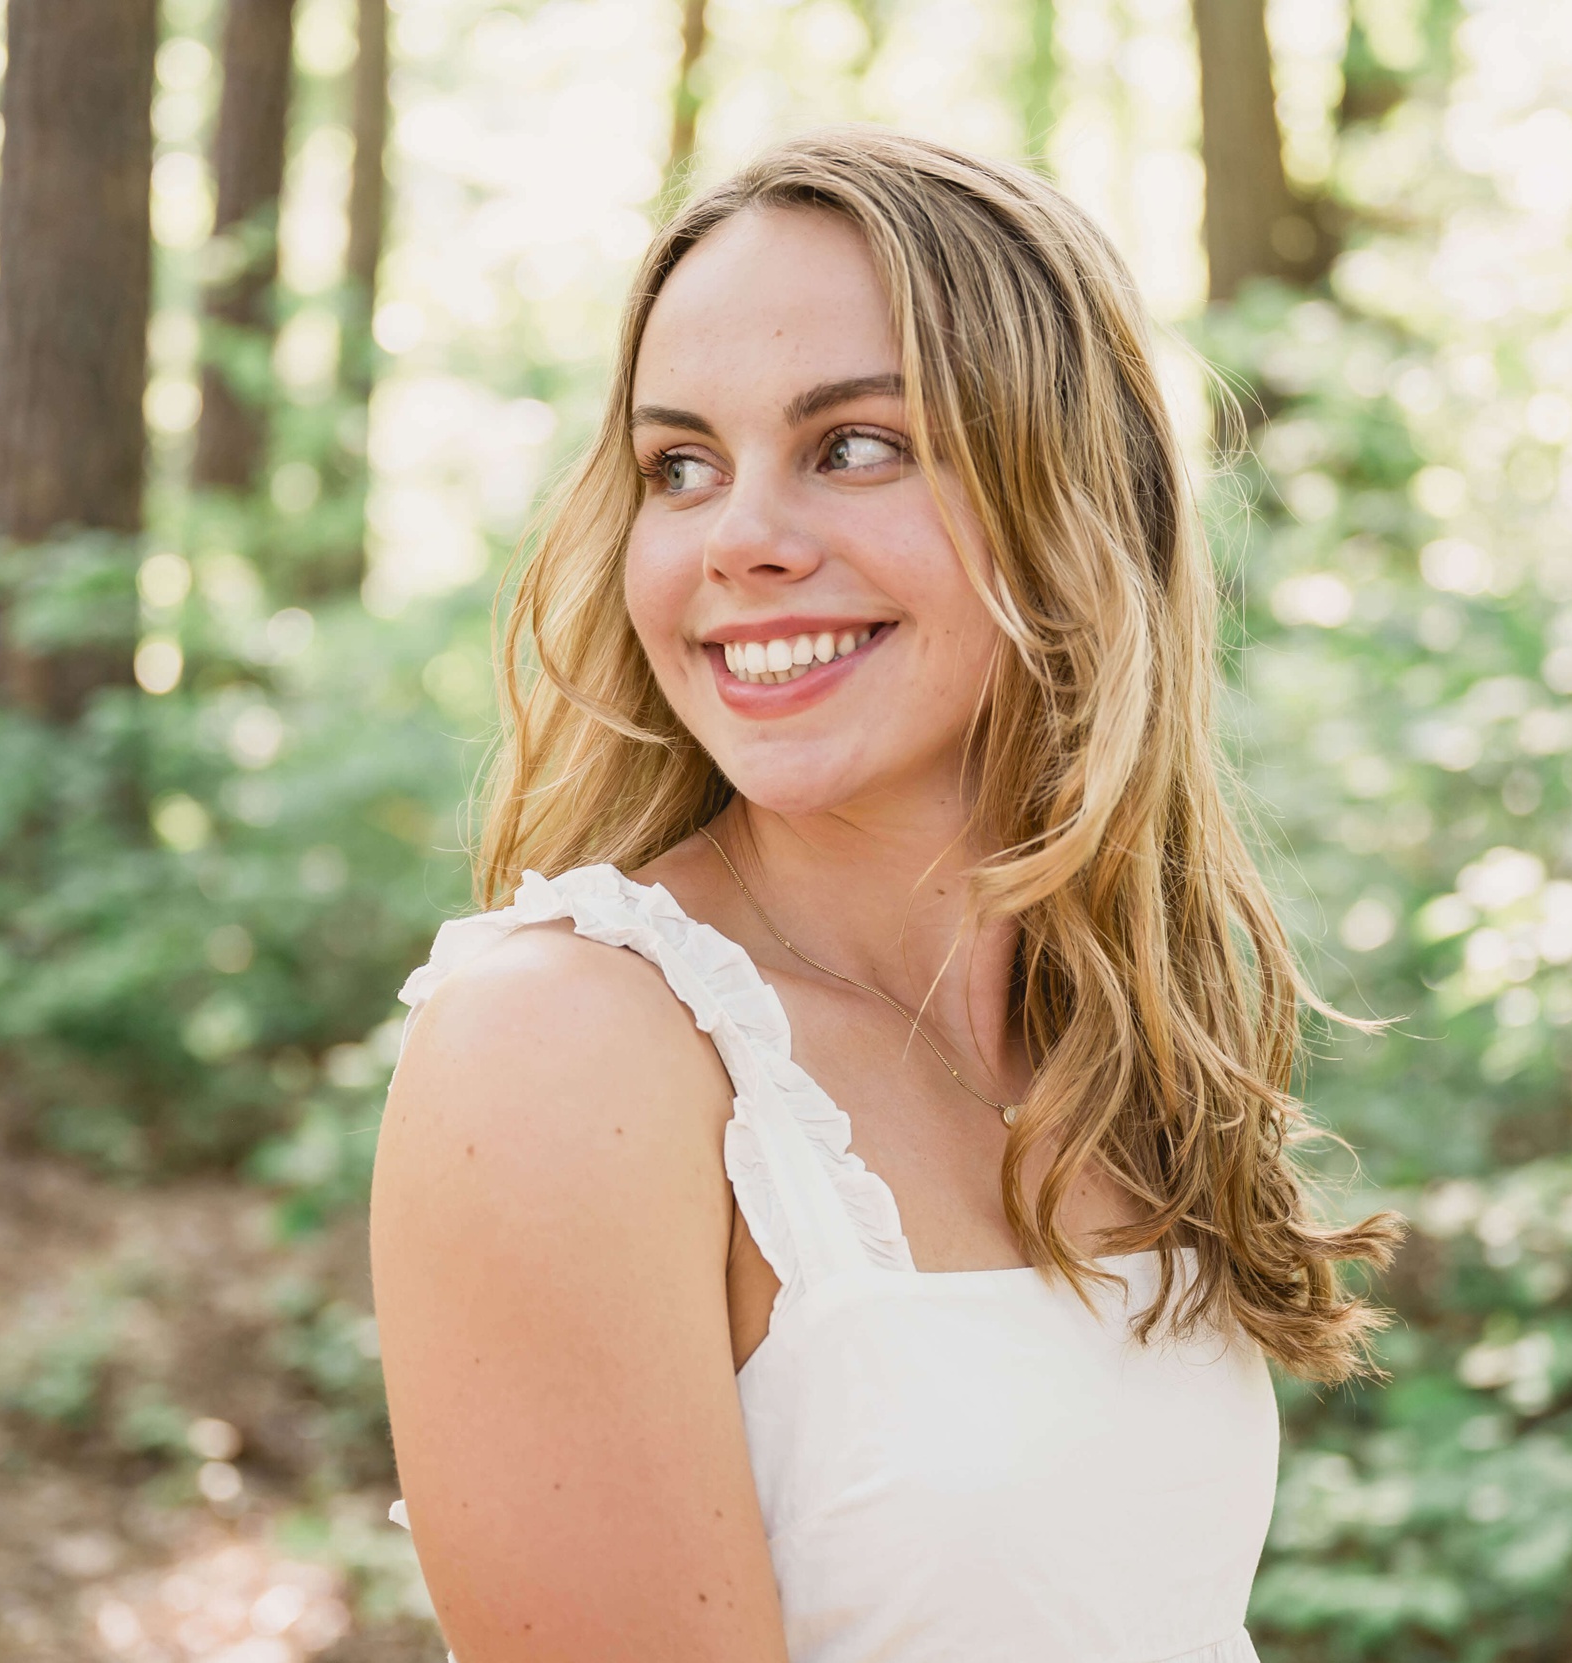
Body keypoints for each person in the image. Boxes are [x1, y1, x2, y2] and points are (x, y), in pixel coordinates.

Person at [369, 127, 1400, 1663]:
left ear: (1074, 497)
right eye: (681, 465)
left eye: (852, 444)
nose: (743, 541)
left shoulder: (1100, 1033)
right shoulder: (565, 1048)